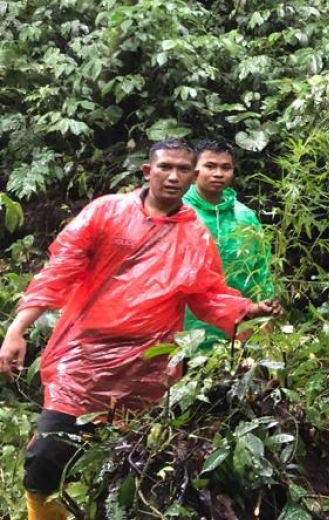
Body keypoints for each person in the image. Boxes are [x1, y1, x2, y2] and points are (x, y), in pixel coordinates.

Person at [0, 139, 280, 520]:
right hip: (82, 359)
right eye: (166, 167)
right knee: (46, 457)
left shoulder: (194, 235)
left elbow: (208, 295)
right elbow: (59, 271)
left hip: (147, 370)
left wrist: (248, 310)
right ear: (147, 172)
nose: (174, 176)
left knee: (128, 472)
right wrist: (17, 330)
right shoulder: (107, 212)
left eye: (183, 169)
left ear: (190, 174)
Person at [183, 139, 275, 349]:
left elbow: (260, 272)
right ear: (195, 170)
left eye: (226, 167)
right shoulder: (180, 212)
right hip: (186, 326)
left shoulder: (245, 216)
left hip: (239, 324)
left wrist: (264, 325)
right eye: (210, 166)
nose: (218, 173)